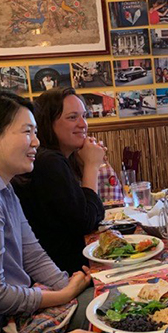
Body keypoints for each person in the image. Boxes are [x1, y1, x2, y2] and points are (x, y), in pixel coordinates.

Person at [0, 89, 93, 331]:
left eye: (35, 132)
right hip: (2, 323)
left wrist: (69, 284)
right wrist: (65, 294)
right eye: (27, 132)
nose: (36, 141)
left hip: (22, 308)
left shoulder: (2, 184)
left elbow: (32, 254)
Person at [12, 88, 105, 275]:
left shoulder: (54, 158)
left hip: (67, 269)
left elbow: (87, 213)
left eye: (84, 116)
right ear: (48, 123)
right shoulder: (48, 162)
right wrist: (92, 166)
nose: (83, 124)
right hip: (66, 275)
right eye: (72, 118)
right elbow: (87, 221)